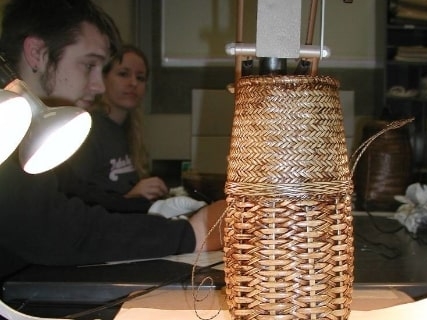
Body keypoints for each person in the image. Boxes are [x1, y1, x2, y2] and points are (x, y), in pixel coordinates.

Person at [0, 0, 226, 280]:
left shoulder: (33, 131)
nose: (98, 85)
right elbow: (51, 228)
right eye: (89, 65)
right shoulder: (5, 127)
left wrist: (152, 209)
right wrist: (192, 234)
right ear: (37, 53)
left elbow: (75, 195)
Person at [56, 44, 173, 214]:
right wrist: (128, 199)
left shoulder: (131, 130)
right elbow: (73, 197)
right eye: (123, 74)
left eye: (140, 78)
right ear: (103, 78)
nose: (133, 83)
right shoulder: (88, 129)